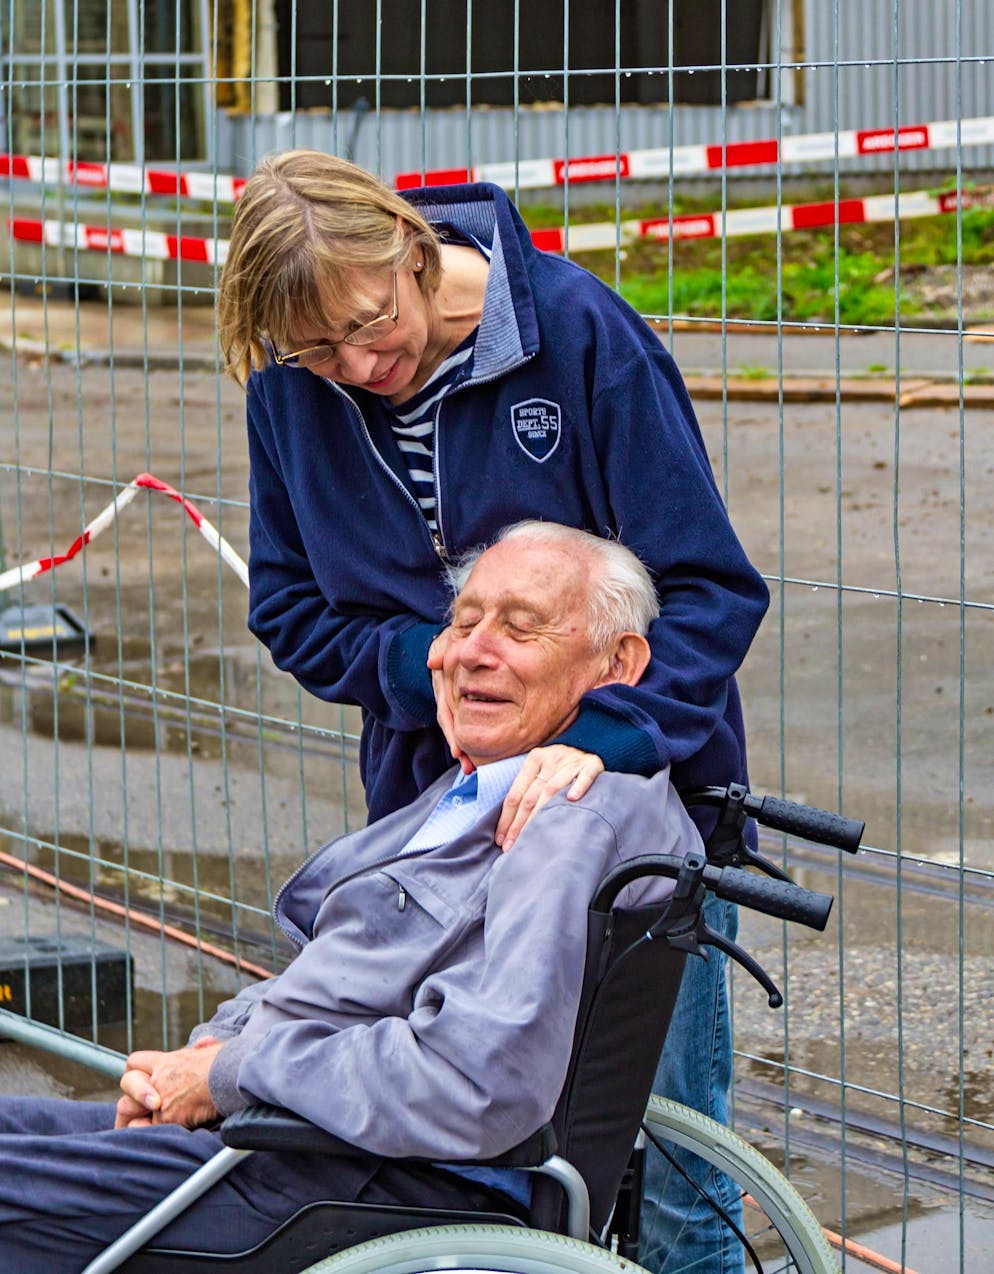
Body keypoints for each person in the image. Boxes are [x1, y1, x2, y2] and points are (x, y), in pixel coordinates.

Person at [216, 152, 768, 1272]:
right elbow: (287, 605)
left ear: (412, 252)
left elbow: (710, 589)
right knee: (457, 1175)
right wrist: (428, 659)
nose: (359, 365)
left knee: (662, 1176)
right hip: (438, 826)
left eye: (371, 325)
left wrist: (602, 740)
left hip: (630, 832)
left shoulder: (575, 332)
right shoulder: (291, 388)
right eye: (316, 351)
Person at [0, 524, 702, 1270]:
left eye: (521, 628)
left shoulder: (565, 819)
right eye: (463, 621)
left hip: (352, 1180)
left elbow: (476, 1080)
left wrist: (228, 1075)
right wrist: (205, 1054)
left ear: (617, 664)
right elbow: (353, 977)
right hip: (296, 1135)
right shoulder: (491, 781)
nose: (472, 650)